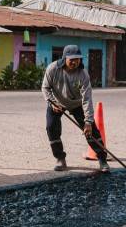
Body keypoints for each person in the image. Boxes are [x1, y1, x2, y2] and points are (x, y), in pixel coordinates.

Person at [41, 45, 109, 173]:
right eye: (71, 59)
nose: (75, 62)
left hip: (77, 104)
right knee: (51, 127)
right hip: (57, 103)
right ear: (64, 58)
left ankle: (102, 158)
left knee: (91, 131)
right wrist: (52, 103)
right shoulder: (53, 69)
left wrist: (88, 122)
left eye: (77, 59)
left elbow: (87, 98)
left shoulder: (83, 74)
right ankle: (60, 158)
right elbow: (45, 88)